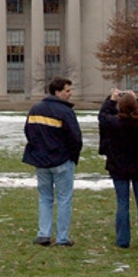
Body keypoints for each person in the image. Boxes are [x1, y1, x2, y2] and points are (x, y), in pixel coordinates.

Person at [22, 77, 83, 247]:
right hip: (61, 161)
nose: (70, 94)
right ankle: (62, 237)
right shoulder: (65, 112)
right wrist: (72, 156)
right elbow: (75, 138)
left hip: (41, 161)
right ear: (57, 92)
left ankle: (44, 234)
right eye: (67, 90)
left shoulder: (35, 109)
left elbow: (28, 132)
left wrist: (39, 150)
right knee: (64, 199)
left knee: (45, 198)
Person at [98, 88, 138, 249]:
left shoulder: (114, 123)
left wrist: (111, 100)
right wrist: (137, 100)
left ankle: (122, 240)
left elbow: (102, 116)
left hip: (119, 167)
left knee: (122, 203)